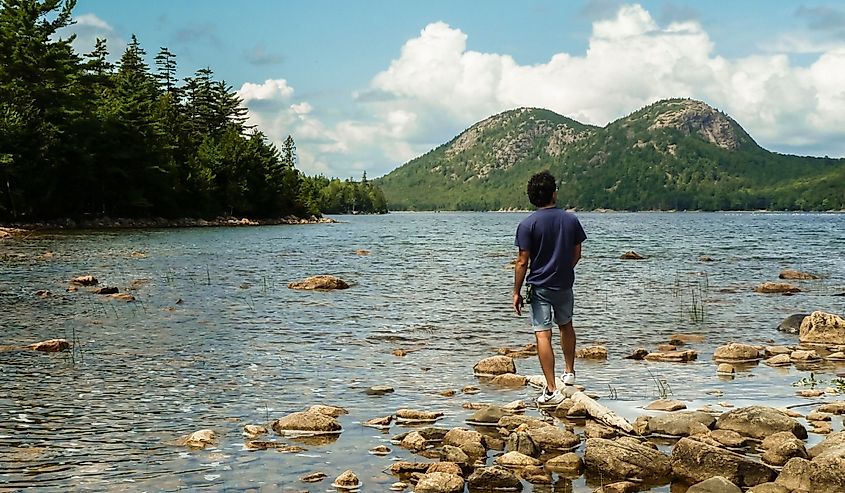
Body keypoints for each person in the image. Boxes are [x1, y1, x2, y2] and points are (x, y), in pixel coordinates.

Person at [512, 170, 586, 406]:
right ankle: (570, 372)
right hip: (564, 283)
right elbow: (577, 254)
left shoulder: (527, 225)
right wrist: (565, 269)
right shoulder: (571, 220)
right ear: (554, 194)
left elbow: (523, 261)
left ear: (532, 198)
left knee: (543, 334)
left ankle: (552, 388)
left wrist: (516, 291)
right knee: (566, 325)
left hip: (540, 286)